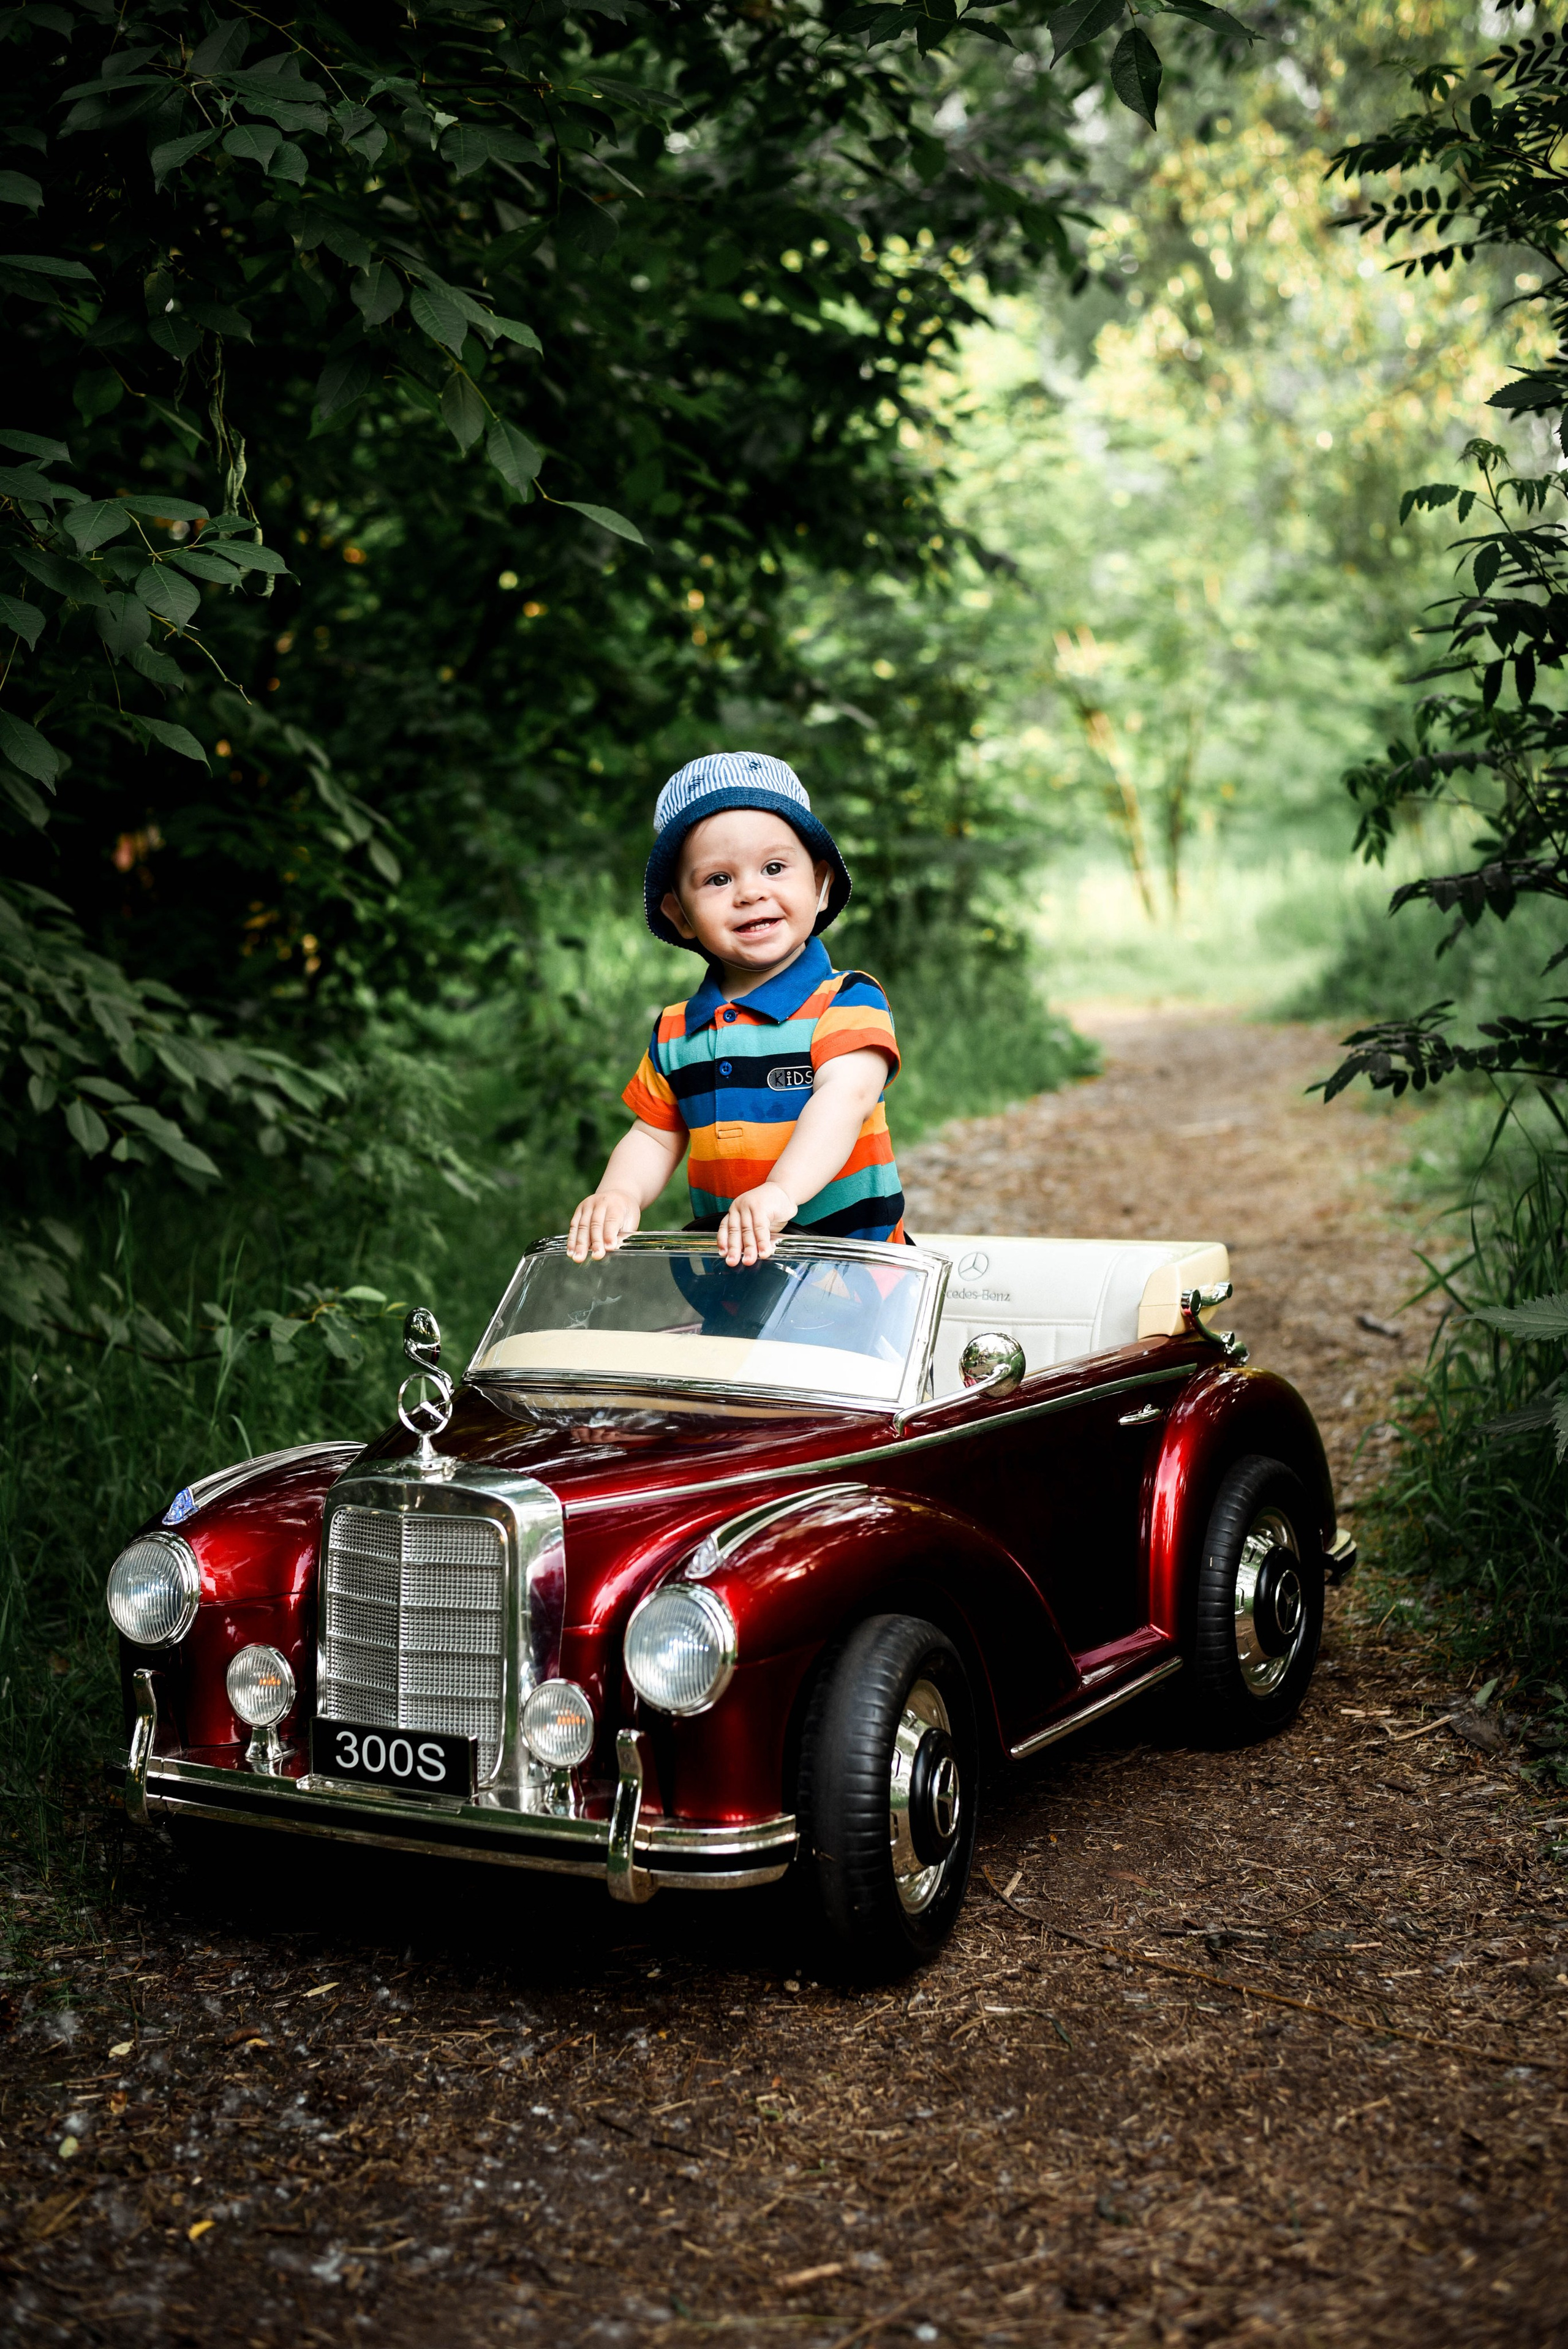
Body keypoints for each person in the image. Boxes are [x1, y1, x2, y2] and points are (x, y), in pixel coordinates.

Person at [567, 752, 905, 1267]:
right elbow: (654, 1136)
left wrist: (782, 1190)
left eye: (774, 868)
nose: (750, 892)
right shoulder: (677, 1032)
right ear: (680, 915)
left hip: (855, 1272)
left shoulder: (847, 999)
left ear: (820, 886)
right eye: (718, 879)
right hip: (736, 1271)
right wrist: (619, 1193)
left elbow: (845, 1099)